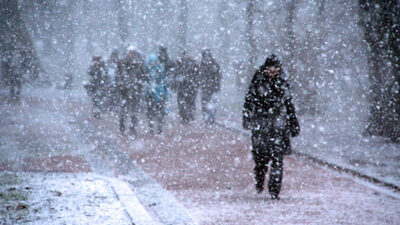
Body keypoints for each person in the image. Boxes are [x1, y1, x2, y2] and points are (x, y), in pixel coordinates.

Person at [242, 54, 300, 200]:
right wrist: (248, 119)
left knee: (277, 159)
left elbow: (289, 104)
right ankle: (259, 181)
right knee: (261, 159)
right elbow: (249, 102)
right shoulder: (258, 81)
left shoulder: (282, 82)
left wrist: (293, 123)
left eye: (276, 68)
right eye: (271, 67)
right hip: (261, 126)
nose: (273, 70)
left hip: (279, 126)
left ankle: (275, 190)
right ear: (266, 68)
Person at [116, 46, 148, 136]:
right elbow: (117, 75)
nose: (131, 54)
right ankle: (122, 128)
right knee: (123, 111)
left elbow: (143, 76)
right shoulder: (122, 63)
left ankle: (133, 129)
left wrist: (139, 84)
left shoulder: (139, 63)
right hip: (125, 91)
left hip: (135, 90)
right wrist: (121, 85)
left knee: (134, 111)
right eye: (130, 52)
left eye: (133, 53)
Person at [146, 53, 168, 135]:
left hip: (159, 94)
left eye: (154, 61)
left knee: (160, 112)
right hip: (150, 95)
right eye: (152, 61)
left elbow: (163, 81)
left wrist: (163, 92)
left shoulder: (160, 69)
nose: (153, 63)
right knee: (150, 113)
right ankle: (151, 128)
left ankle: (159, 128)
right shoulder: (147, 69)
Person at [175, 50, 199, 124]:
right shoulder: (192, 64)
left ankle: (185, 116)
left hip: (185, 87)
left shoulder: (181, 64)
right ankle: (189, 116)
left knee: (184, 102)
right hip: (189, 87)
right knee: (190, 102)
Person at [199, 49, 221, 125]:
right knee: (208, 104)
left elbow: (218, 76)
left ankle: (209, 118)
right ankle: (209, 118)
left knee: (208, 104)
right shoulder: (212, 64)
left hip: (209, 87)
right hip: (209, 88)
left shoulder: (208, 65)